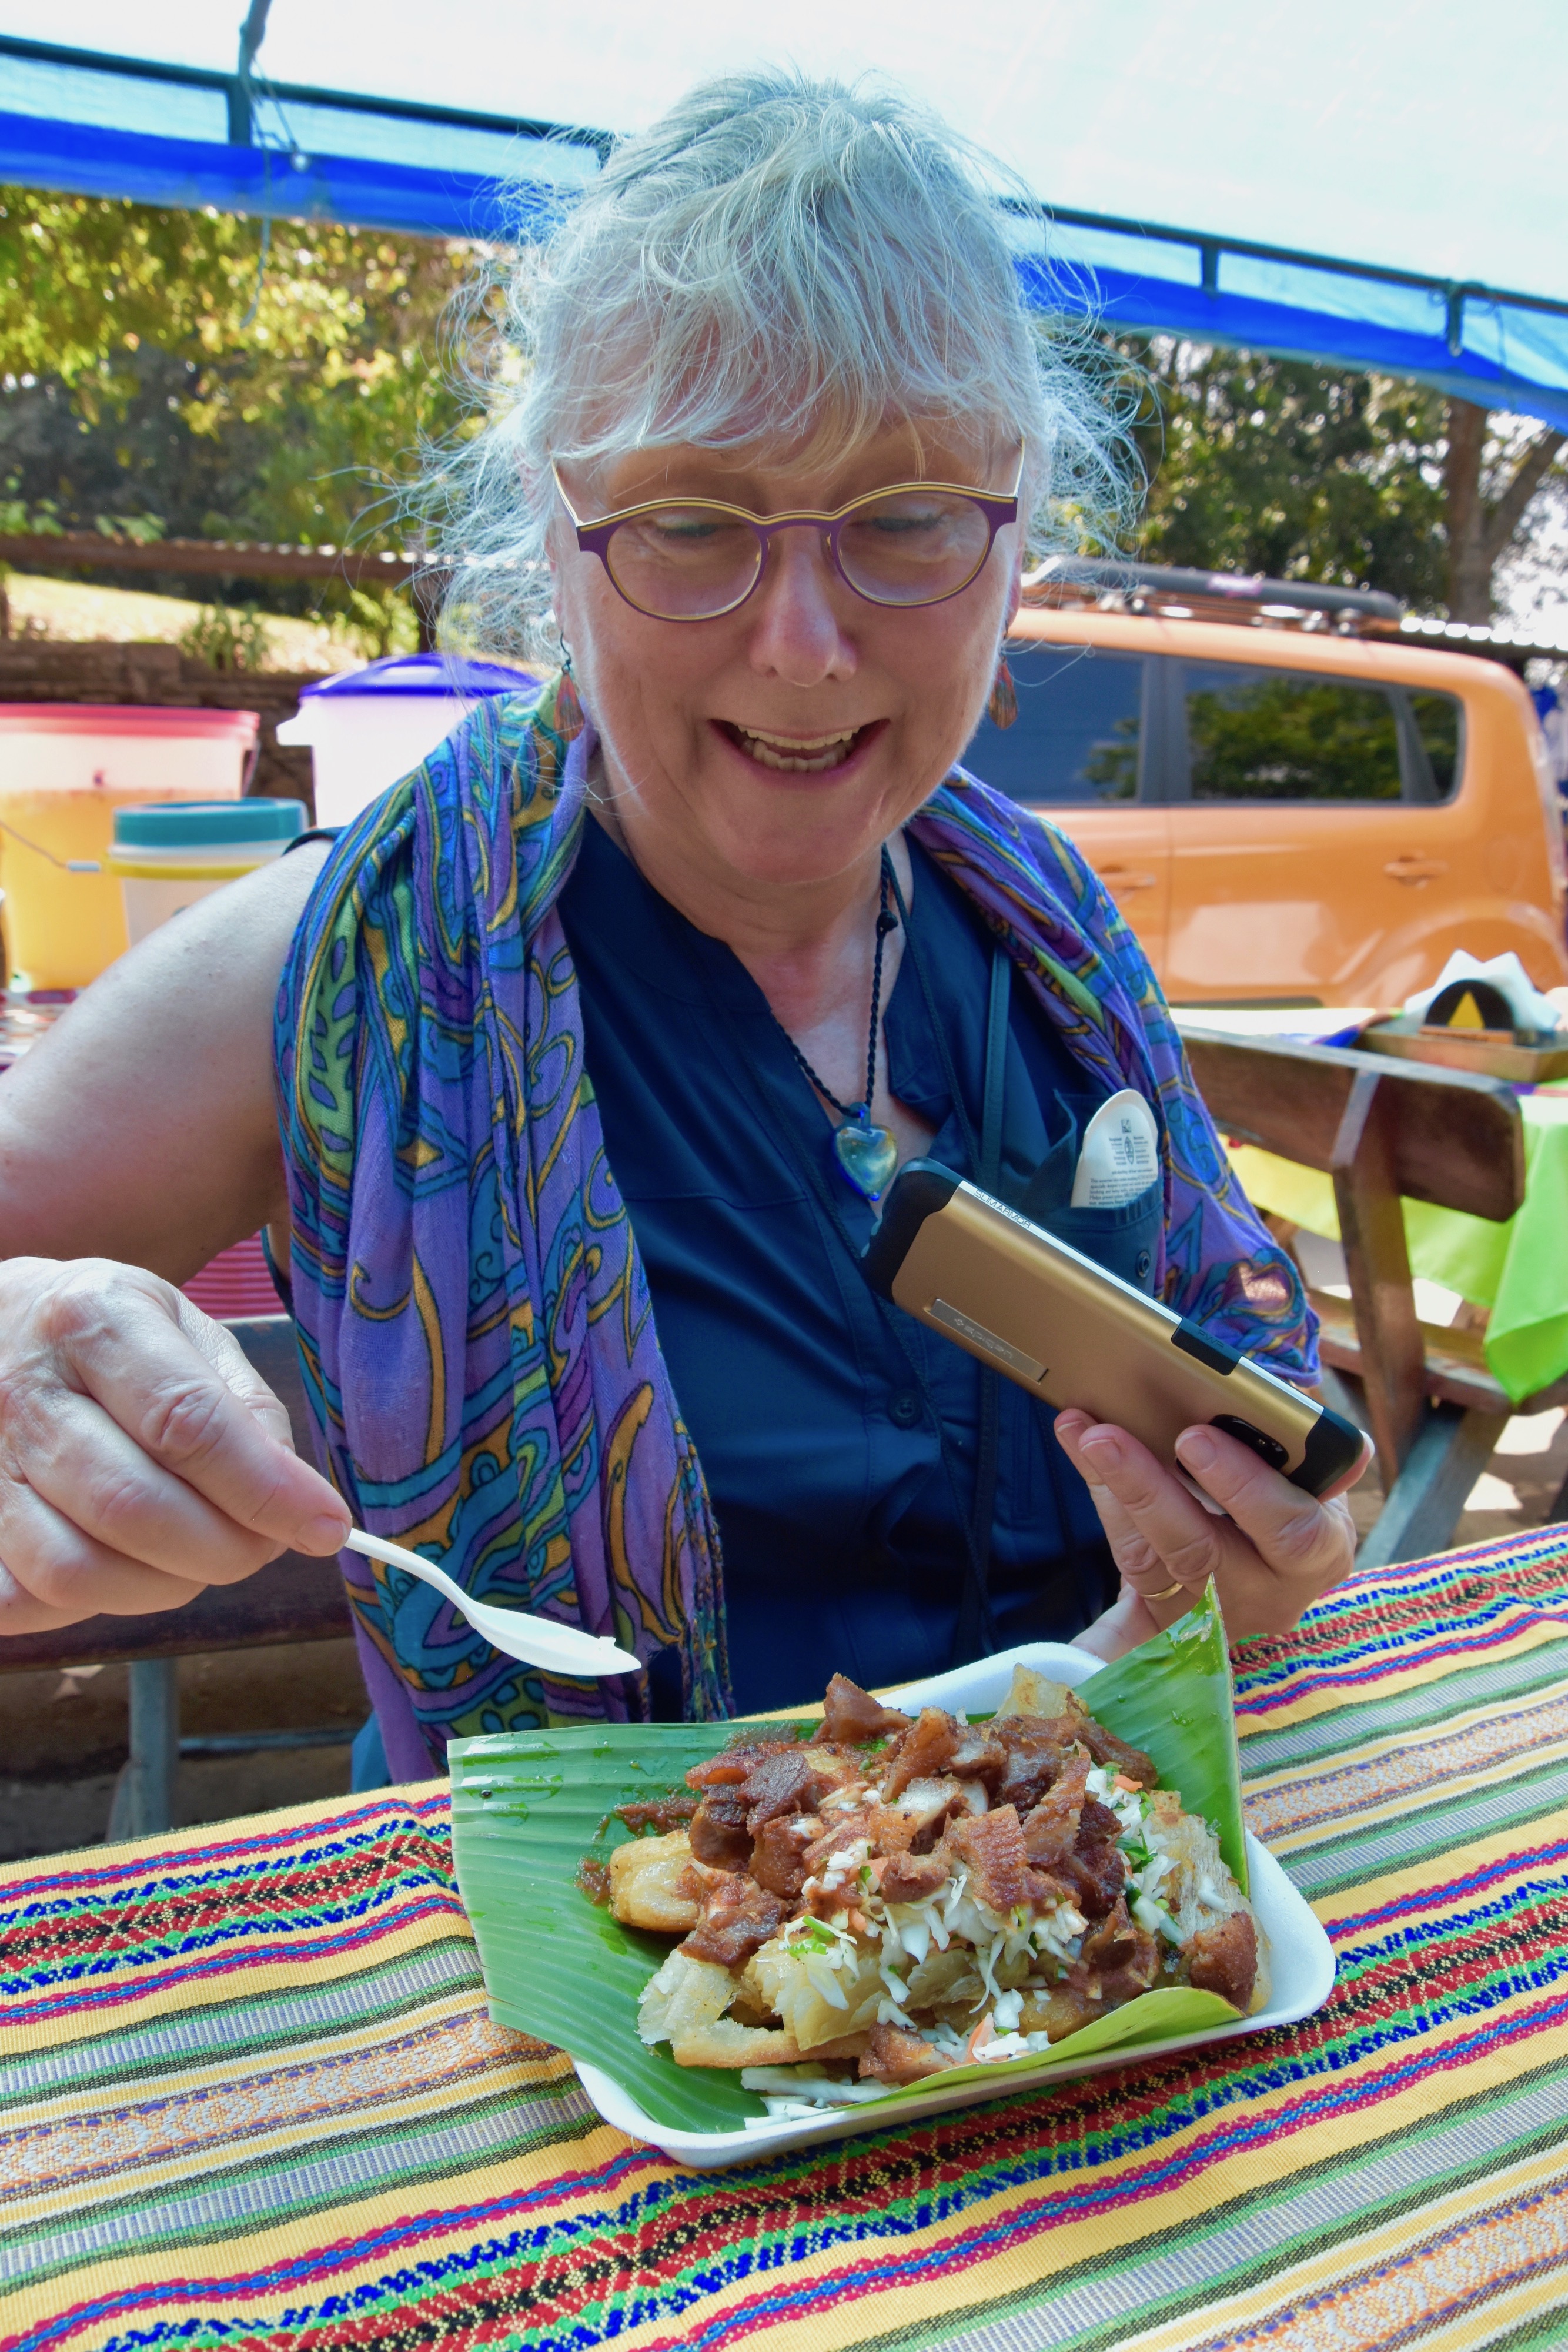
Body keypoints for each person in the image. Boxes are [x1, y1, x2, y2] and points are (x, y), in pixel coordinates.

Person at [0, 72, 1366, 1779]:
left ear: (1011, 536)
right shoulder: (355, 969)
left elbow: (1249, 1401)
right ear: (554, 541)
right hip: (584, 1980)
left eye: (905, 518)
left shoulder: (1046, 931)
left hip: (1067, 1903)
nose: (800, 642)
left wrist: (1239, 1562)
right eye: (691, 525)